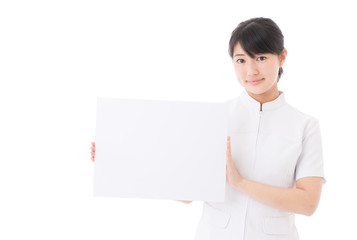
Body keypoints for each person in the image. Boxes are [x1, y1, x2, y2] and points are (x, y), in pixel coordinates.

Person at [91, 17, 325, 240]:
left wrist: (240, 183)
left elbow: (307, 203)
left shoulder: (304, 125)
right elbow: (185, 194)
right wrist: (118, 161)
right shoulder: (215, 117)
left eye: (261, 58)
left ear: (282, 57)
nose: (251, 71)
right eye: (241, 60)